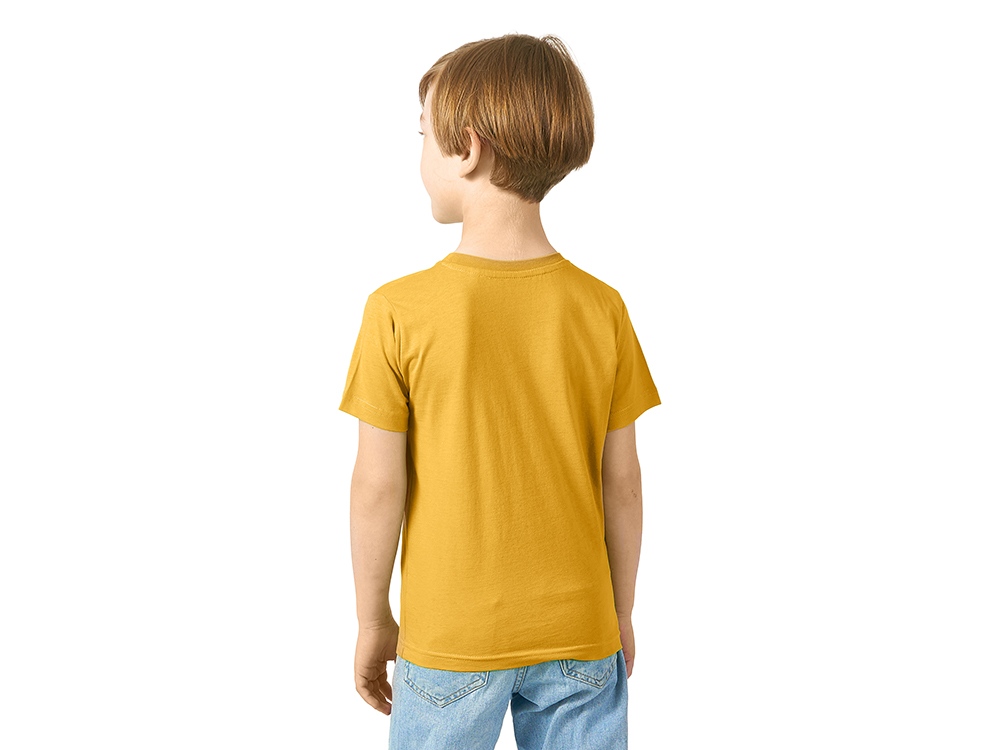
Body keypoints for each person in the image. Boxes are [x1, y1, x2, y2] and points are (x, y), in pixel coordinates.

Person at [339, 32, 660, 750]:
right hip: (580, 632)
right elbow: (623, 484)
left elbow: (377, 486)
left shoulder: (397, 311)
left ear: (468, 149)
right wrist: (621, 612)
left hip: (450, 636)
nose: (420, 156)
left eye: (424, 135)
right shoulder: (602, 308)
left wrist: (372, 618)